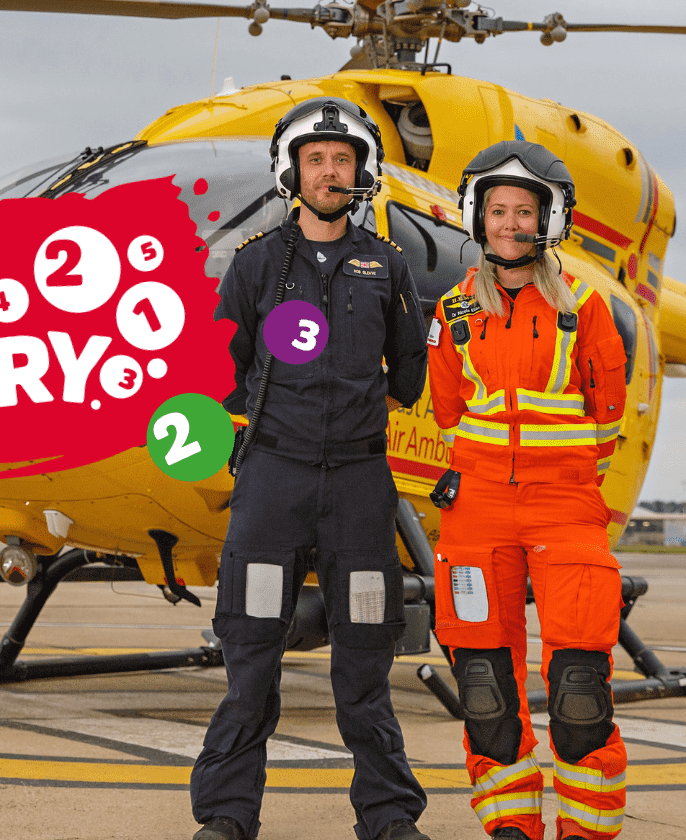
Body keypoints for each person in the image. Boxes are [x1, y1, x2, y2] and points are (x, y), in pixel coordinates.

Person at [191, 97, 431, 840]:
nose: (331, 171)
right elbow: (221, 367)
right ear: (293, 170)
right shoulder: (257, 262)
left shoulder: (386, 267)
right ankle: (227, 816)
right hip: (273, 481)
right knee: (251, 657)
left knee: (364, 662)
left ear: (363, 172)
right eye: (317, 158)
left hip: (359, 486)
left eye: (344, 159)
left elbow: (410, 377)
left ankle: (388, 818)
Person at [425, 141, 629, 840]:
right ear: (477, 217)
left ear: (550, 219)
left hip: (566, 507)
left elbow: (607, 417)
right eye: (497, 209)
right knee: (484, 689)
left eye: (524, 211)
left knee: (578, 691)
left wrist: (559, 480)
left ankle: (586, 829)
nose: (509, 223)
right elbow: (448, 412)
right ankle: (511, 825)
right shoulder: (453, 311)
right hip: (477, 513)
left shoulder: (588, 308)